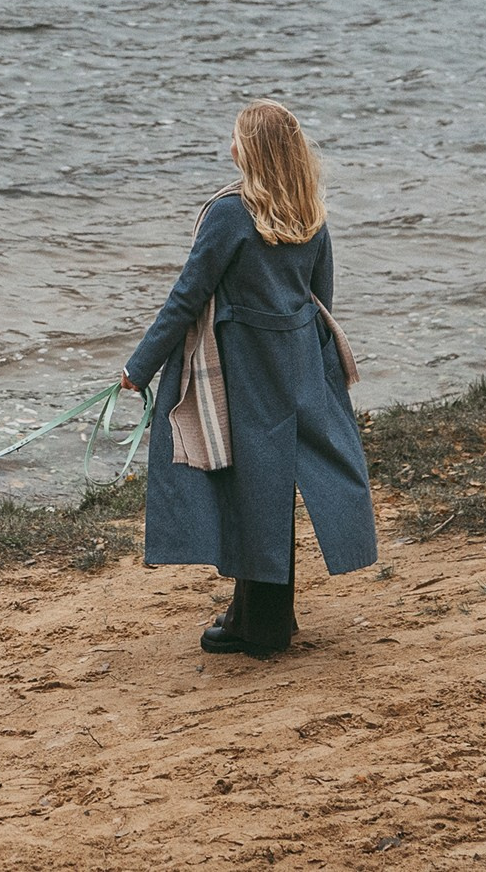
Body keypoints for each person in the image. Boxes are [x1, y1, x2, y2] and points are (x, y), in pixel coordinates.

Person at [119, 100, 377, 657]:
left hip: (246, 369)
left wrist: (139, 369)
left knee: (251, 486)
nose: (229, 146)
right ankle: (265, 613)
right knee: (276, 485)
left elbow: (187, 297)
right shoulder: (310, 213)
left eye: (236, 138)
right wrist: (314, 366)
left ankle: (259, 625)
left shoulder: (231, 214)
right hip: (300, 363)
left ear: (251, 151)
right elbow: (320, 296)